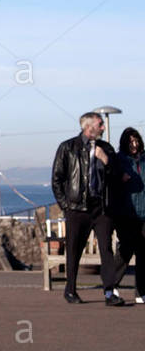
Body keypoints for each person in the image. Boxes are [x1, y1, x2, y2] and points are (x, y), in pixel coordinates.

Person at [51, 112, 125, 305]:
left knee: (106, 249)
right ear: (89, 127)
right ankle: (70, 290)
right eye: (100, 124)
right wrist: (66, 206)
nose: (103, 128)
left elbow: (118, 176)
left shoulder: (106, 148)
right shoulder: (68, 147)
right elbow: (57, 179)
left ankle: (110, 293)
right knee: (74, 250)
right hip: (77, 209)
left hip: (101, 208)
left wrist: (106, 161)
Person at [110, 127, 145, 304]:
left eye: (137, 140)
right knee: (126, 250)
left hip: (144, 213)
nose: (135, 144)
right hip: (126, 213)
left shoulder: (144, 160)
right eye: (131, 141)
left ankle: (140, 292)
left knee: (143, 253)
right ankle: (111, 285)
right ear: (125, 143)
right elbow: (110, 183)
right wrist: (119, 178)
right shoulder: (119, 160)